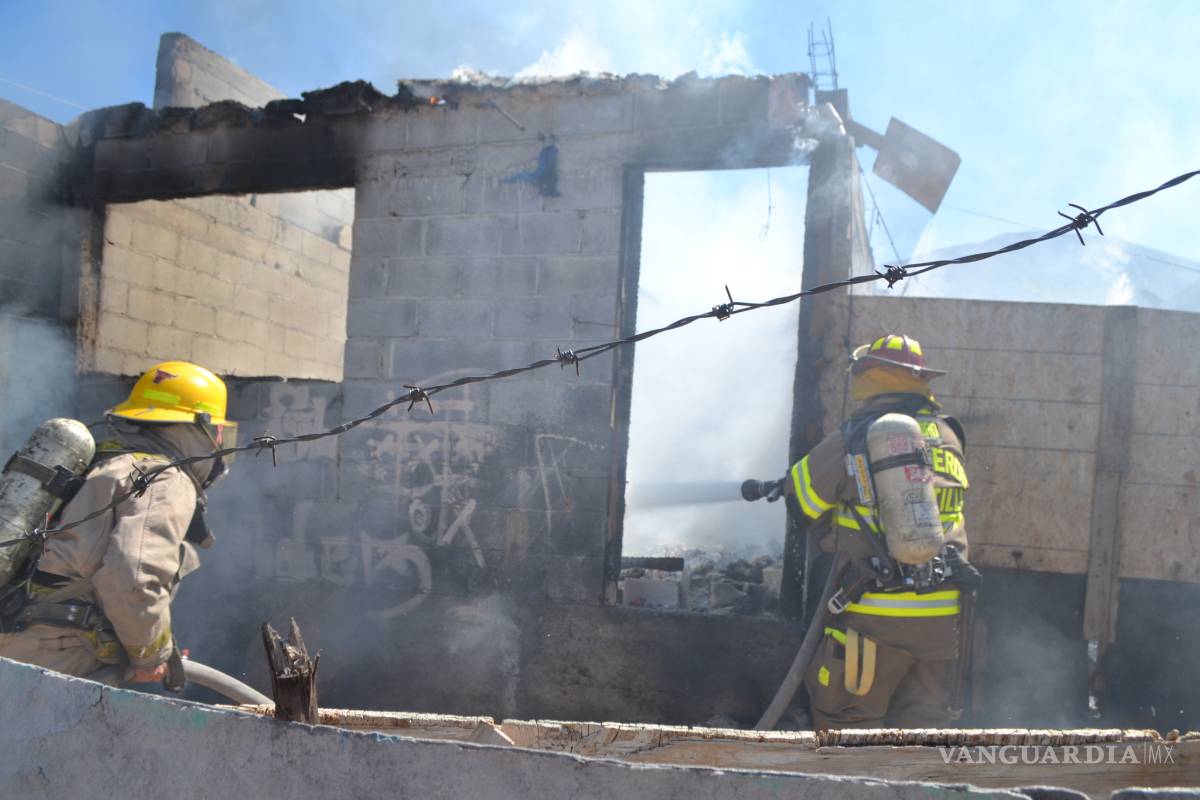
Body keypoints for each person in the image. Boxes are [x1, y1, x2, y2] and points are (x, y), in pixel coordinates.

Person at [0, 361, 236, 685]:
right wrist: (150, 655)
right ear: (201, 428)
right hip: (54, 657)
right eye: (219, 431)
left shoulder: (103, 461)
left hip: (18, 639)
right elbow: (133, 576)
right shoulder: (162, 477)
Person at [784, 334, 976, 729]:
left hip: (873, 623)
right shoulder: (948, 434)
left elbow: (800, 502)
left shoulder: (857, 435)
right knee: (921, 741)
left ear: (869, 375)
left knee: (846, 733)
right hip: (942, 625)